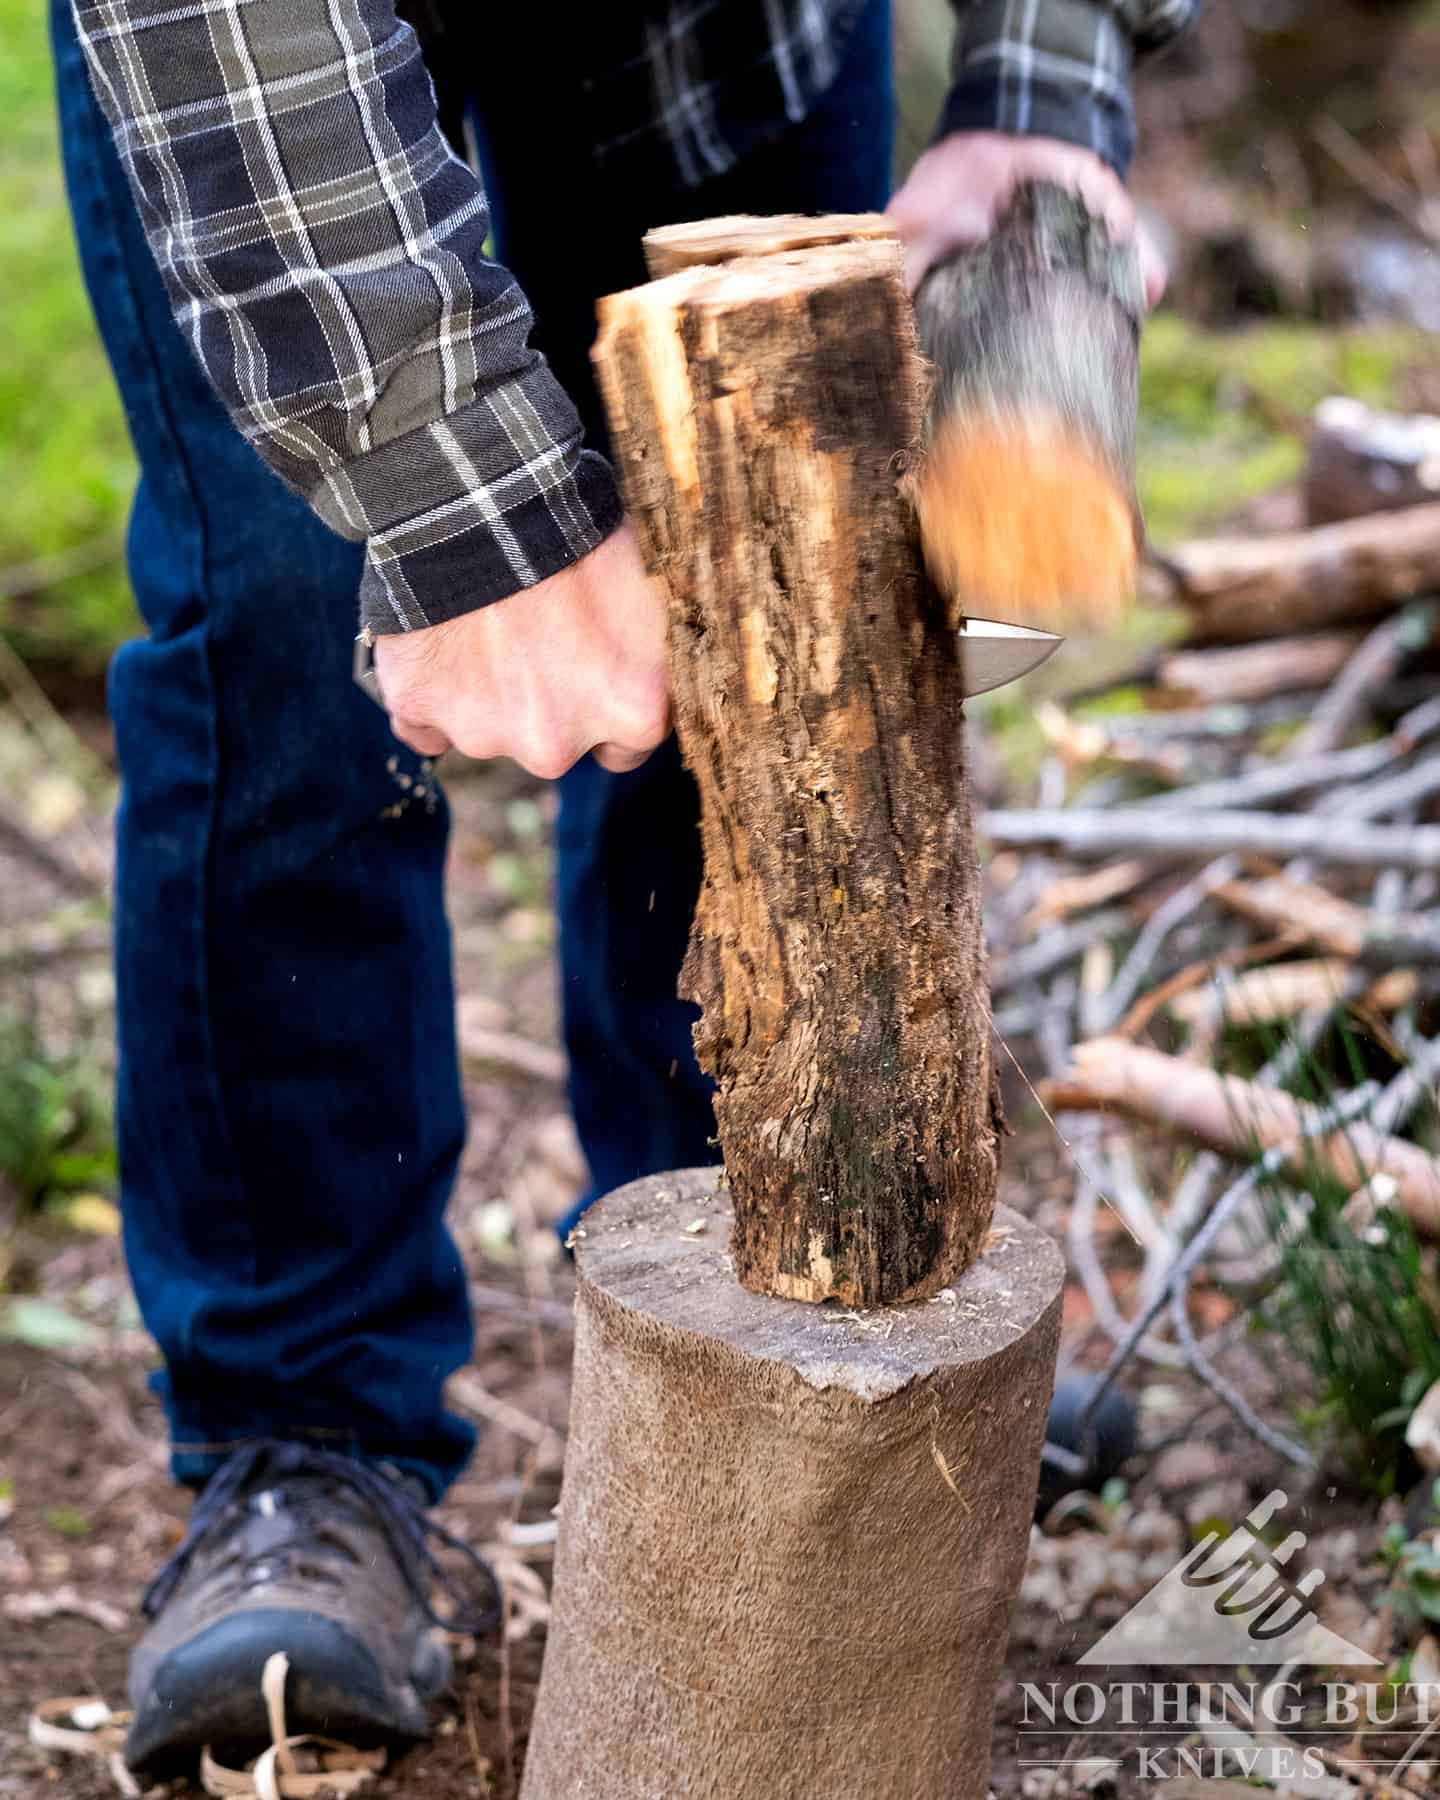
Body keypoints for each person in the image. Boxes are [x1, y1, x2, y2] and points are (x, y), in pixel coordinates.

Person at [54, 0, 1191, 1775]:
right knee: (282, 637)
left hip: (718, 30)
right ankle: (306, 1439)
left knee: (780, 572)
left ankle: (790, 1351)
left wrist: (1046, 90)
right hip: (269, 70)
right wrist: (455, 496)